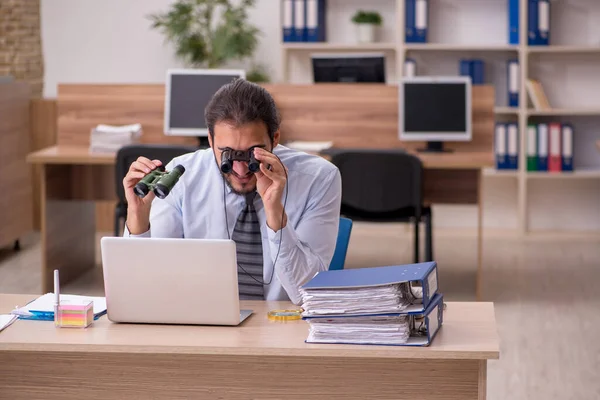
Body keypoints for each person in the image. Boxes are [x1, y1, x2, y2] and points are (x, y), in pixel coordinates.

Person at [122, 79, 342, 305]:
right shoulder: (182, 175)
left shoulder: (319, 179)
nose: (240, 168)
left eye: (252, 154)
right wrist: (138, 216)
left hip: (282, 324)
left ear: (274, 138)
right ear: (210, 140)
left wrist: (275, 213)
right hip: (201, 320)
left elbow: (306, 294)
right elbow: (144, 288)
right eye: (227, 153)